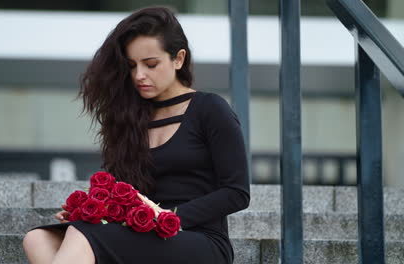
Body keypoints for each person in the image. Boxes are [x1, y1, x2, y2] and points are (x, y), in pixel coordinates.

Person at [23, 6, 250, 264]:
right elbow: (126, 191)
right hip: (139, 232)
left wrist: (167, 215)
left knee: (82, 236)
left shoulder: (211, 109)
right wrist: (95, 209)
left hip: (198, 238)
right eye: (132, 66)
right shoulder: (129, 118)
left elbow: (237, 192)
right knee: (38, 239)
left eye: (151, 64)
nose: (139, 75)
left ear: (178, 59)